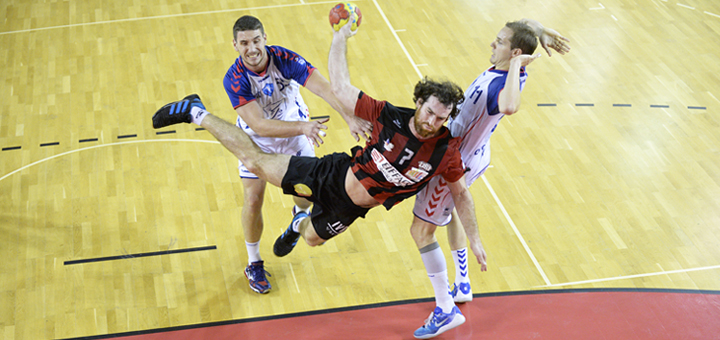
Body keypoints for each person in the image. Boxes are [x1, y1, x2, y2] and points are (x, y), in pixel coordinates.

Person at [151, 20, 488, 337]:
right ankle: (197, 112)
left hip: (351, 210)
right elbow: (339, 87)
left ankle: (297, 222)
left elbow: (462, 195)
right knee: (255, 163)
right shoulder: (388, 115)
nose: (432, 121)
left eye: (441, 117)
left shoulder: (446, 152)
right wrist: (339, 38)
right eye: (429, 112)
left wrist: (474, 239)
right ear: (418, 102)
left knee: (312, 238)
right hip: (331, 174)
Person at [410, 19, 570, 338]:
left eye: (498, 42)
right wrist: (539, 30)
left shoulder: (504, 84)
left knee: (421, 230)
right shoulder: (508, 68)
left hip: (457, 160)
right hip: (472, 153)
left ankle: (445, 309)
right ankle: (463, 282)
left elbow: (510, 106)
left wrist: (515, 64)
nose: (491, 44)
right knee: (450, 212)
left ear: (513, 53)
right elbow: (519, 27)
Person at [219, 15, 371, 294]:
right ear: (235, 45)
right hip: (257, 142)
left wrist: (349, 117)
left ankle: (298, 220)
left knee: (306, 194)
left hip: (295, 136)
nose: (251, 48)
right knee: (253, 201)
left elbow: (325, 88)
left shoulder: (285, 58)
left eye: (255, 41)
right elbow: (259, 125)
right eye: (244, 43)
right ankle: (254, 263)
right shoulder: (234, 79)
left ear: (265, 38)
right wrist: (303, 126)